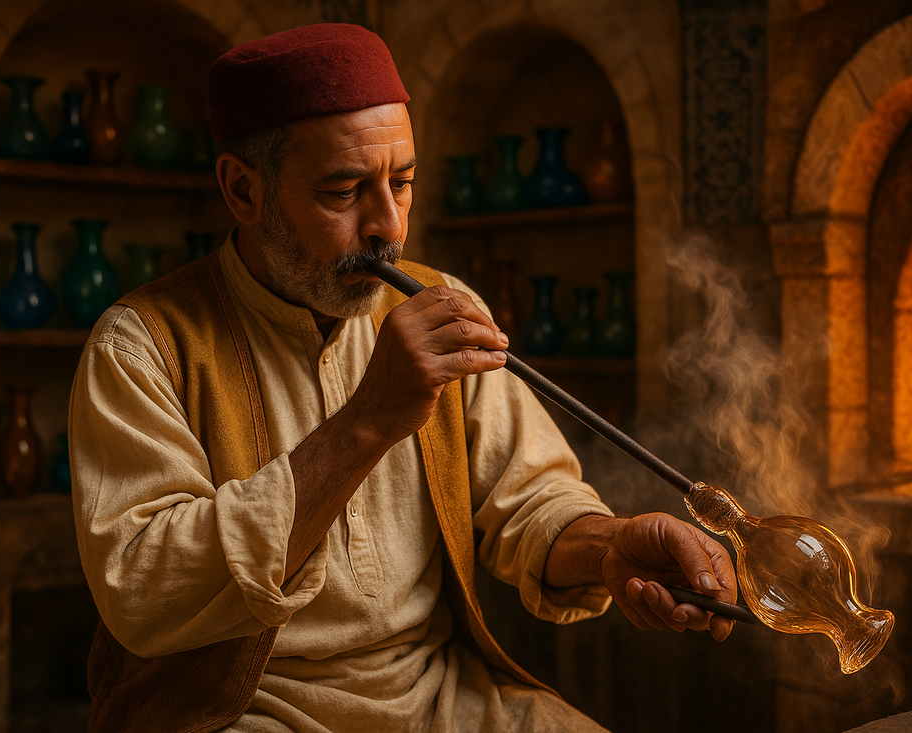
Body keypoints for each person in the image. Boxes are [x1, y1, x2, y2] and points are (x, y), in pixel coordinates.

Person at [69, 23, 737, 733]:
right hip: (239, 712)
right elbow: (142, 589)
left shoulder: (438, 303)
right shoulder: (140, 345)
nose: (388, 224)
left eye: (403, 181)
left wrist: (609, 547)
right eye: (344, 191)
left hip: (440, 696)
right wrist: (368, 418)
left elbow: (530, 500)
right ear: (243, 190)